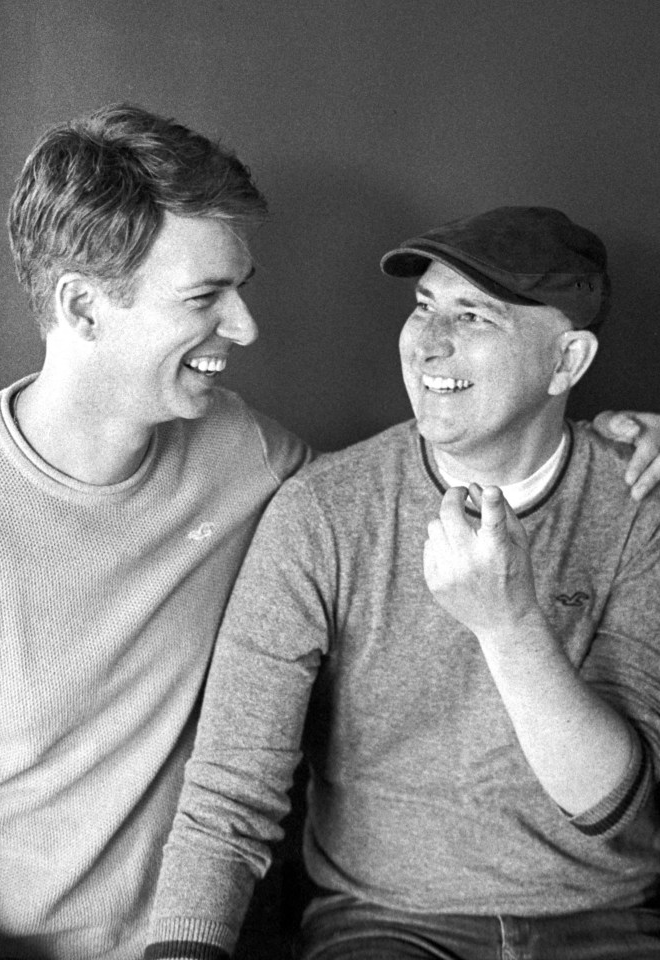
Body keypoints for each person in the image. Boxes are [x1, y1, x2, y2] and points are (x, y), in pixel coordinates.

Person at [147, 207, 660, 960]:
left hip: (599, 923)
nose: (429, 342)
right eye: (423, 307)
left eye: (473, 315)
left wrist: (506, 625)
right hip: (385, 926)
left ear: (566, 362)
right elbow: (230, 791)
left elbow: (608, 804)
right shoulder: (322, 512)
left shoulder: (633, 504)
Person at [0, 103, 311, 960]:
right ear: (82, 309)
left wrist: (610, 447)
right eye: (203, 298)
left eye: (240, 289)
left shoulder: (251, 455)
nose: (244, 328)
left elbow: (392, 510)